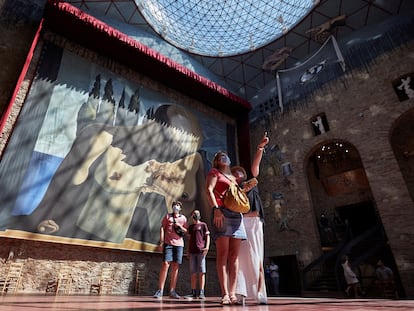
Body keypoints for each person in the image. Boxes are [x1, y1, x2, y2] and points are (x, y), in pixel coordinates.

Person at [205, 151, 247, 305]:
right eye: (221, 156)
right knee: (222, 254)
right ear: (217, 161)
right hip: (221, 213)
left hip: (237, 215)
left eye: (226, 156)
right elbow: (209, 190)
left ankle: (233, 293)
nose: (224, 157)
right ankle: (224, 294)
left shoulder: (233, 178)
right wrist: (216, 209)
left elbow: (235, 195)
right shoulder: (214, 172)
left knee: (234, 256)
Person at [233, 133, 269, 304]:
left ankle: (260, 293)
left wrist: (260, 148)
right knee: (241, 260)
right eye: (235, 173)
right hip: (240, 223)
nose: (238, 173)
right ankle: (241, 294)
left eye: (240, 171)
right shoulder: (232, 191)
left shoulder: (251, 181)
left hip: (254, 222)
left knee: (257, 258)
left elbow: (255, 167)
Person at [153, 201, 188, 299]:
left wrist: (180, 226)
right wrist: (161, 241)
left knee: (175, 266)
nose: (176, 207)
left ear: (180, 208)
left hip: (179, 245)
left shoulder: (183, 218)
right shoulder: (168, 217)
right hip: (168, 244)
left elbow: (186, 231)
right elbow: (162, 228)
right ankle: (160, 290)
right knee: (165, 264)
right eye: (174, 205)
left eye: (177, 206)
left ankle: (172, 291)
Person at [187, 209, 210, 299]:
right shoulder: (191, 226)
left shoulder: (203, 225)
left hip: (201, 251)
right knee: (193, 272)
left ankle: (201, 292)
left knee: (201, 272)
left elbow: (207, 236)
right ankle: (193, 292)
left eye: (197, 213)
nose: (196, 214)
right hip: (192, 252)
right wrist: (188, 251)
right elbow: (190, 239)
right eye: (194, 213)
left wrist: (207, 247)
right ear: (192, 215)